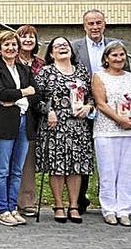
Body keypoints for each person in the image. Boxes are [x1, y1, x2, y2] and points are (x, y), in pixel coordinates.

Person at [34, 36, 95, 224]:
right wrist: (48, 111)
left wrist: (88, 107)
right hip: (55, 127)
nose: (62, 47)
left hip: (78, 127)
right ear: (51, 53)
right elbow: (36, 99)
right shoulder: (45, 72)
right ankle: (59, 205)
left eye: (65, 45)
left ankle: (74, 205)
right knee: (57, 167)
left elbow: (92, 97)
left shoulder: (82, 71)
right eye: (57, 46)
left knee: (76, 167)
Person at [70, 9, 123, 214]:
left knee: (110, 157)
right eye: (90, 24)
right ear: (84, 26)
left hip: (111, 109)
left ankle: (111, 200)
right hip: (82, 108)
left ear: (104, 25)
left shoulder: (114, 46)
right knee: (83, 155)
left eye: (98, 23)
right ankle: (81, 199)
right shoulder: (75, 47)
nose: (95, 27)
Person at [0, 31, 37, 226]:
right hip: (3, 124)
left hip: (24, 122)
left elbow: (36, 94)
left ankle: (13, 208)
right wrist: (22, 93)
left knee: (17, 170)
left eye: (14, 45)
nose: (11, 48)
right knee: (2, 169)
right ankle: (2, 209)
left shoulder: (25, 70)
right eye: (6, 45)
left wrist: (12, 99)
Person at [91, 41, 131, 227]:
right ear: (106, 58)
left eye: (121, 55)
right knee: (108, 171)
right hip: (107, 131)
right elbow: (101, 103)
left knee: (128, 172)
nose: (118, 58)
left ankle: (124, 209)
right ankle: (109, 209)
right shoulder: (99, 76)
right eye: (114, 55)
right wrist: (119, 119)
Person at [16, 25, 46, 217]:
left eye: (31, 37)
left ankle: (27, 200)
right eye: (23, 37)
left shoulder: (41, 63)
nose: (28, 40)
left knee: (29, 159)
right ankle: (11, 200)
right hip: (13, 114)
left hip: (36, 115)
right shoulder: (10, 61)